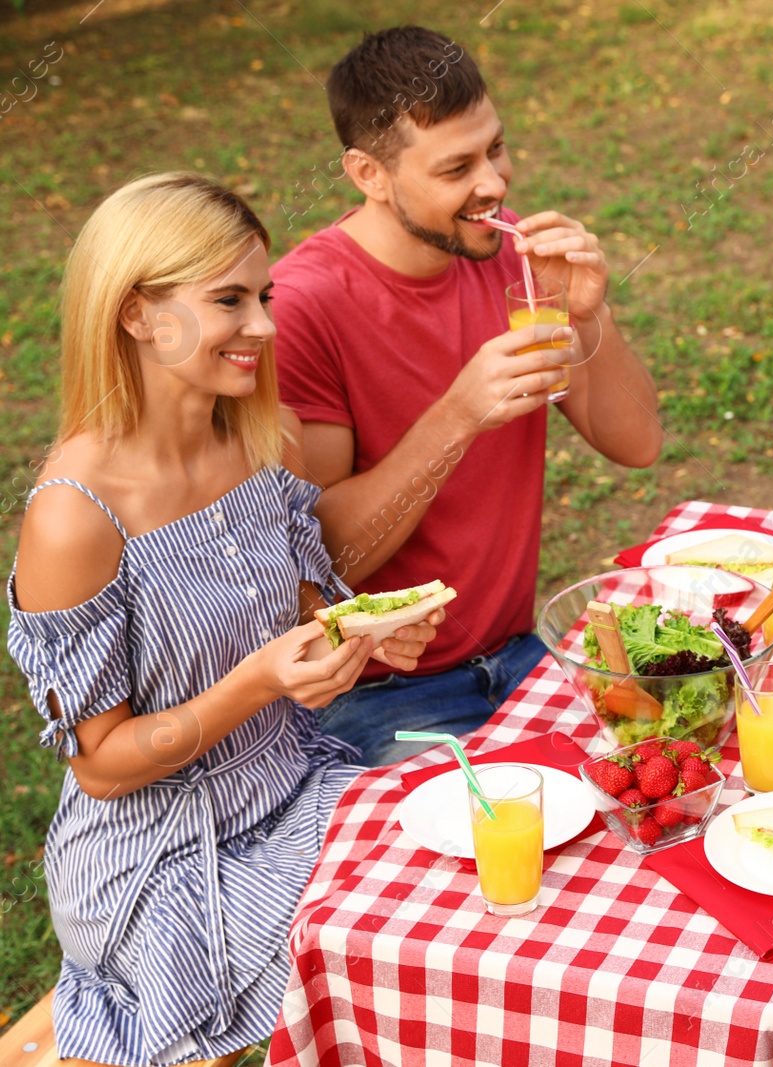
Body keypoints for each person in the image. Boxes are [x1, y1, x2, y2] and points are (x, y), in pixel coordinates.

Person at [5, 174, 443, 1063]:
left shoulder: (260, 438)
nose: (266, 326)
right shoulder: (74, 515)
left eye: (265, 295)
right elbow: (102, 768)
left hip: (294, 789)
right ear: (136, 314)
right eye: (230, 301)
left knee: (455, 875)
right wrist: (258, 682)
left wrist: (357, 633)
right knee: (403, 945)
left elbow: (303, 612)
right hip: (161, 863)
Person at [271, 26, 662, 766]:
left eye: (496, 149)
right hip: (378, 690)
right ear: (368, 173)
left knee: (665, 784)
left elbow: (638, 443)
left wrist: (587, 314)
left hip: (517, 656)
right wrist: (457, 415)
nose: (494, 185)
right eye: (457, 167)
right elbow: (320, 565)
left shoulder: (505, 252)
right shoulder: (305, 307)